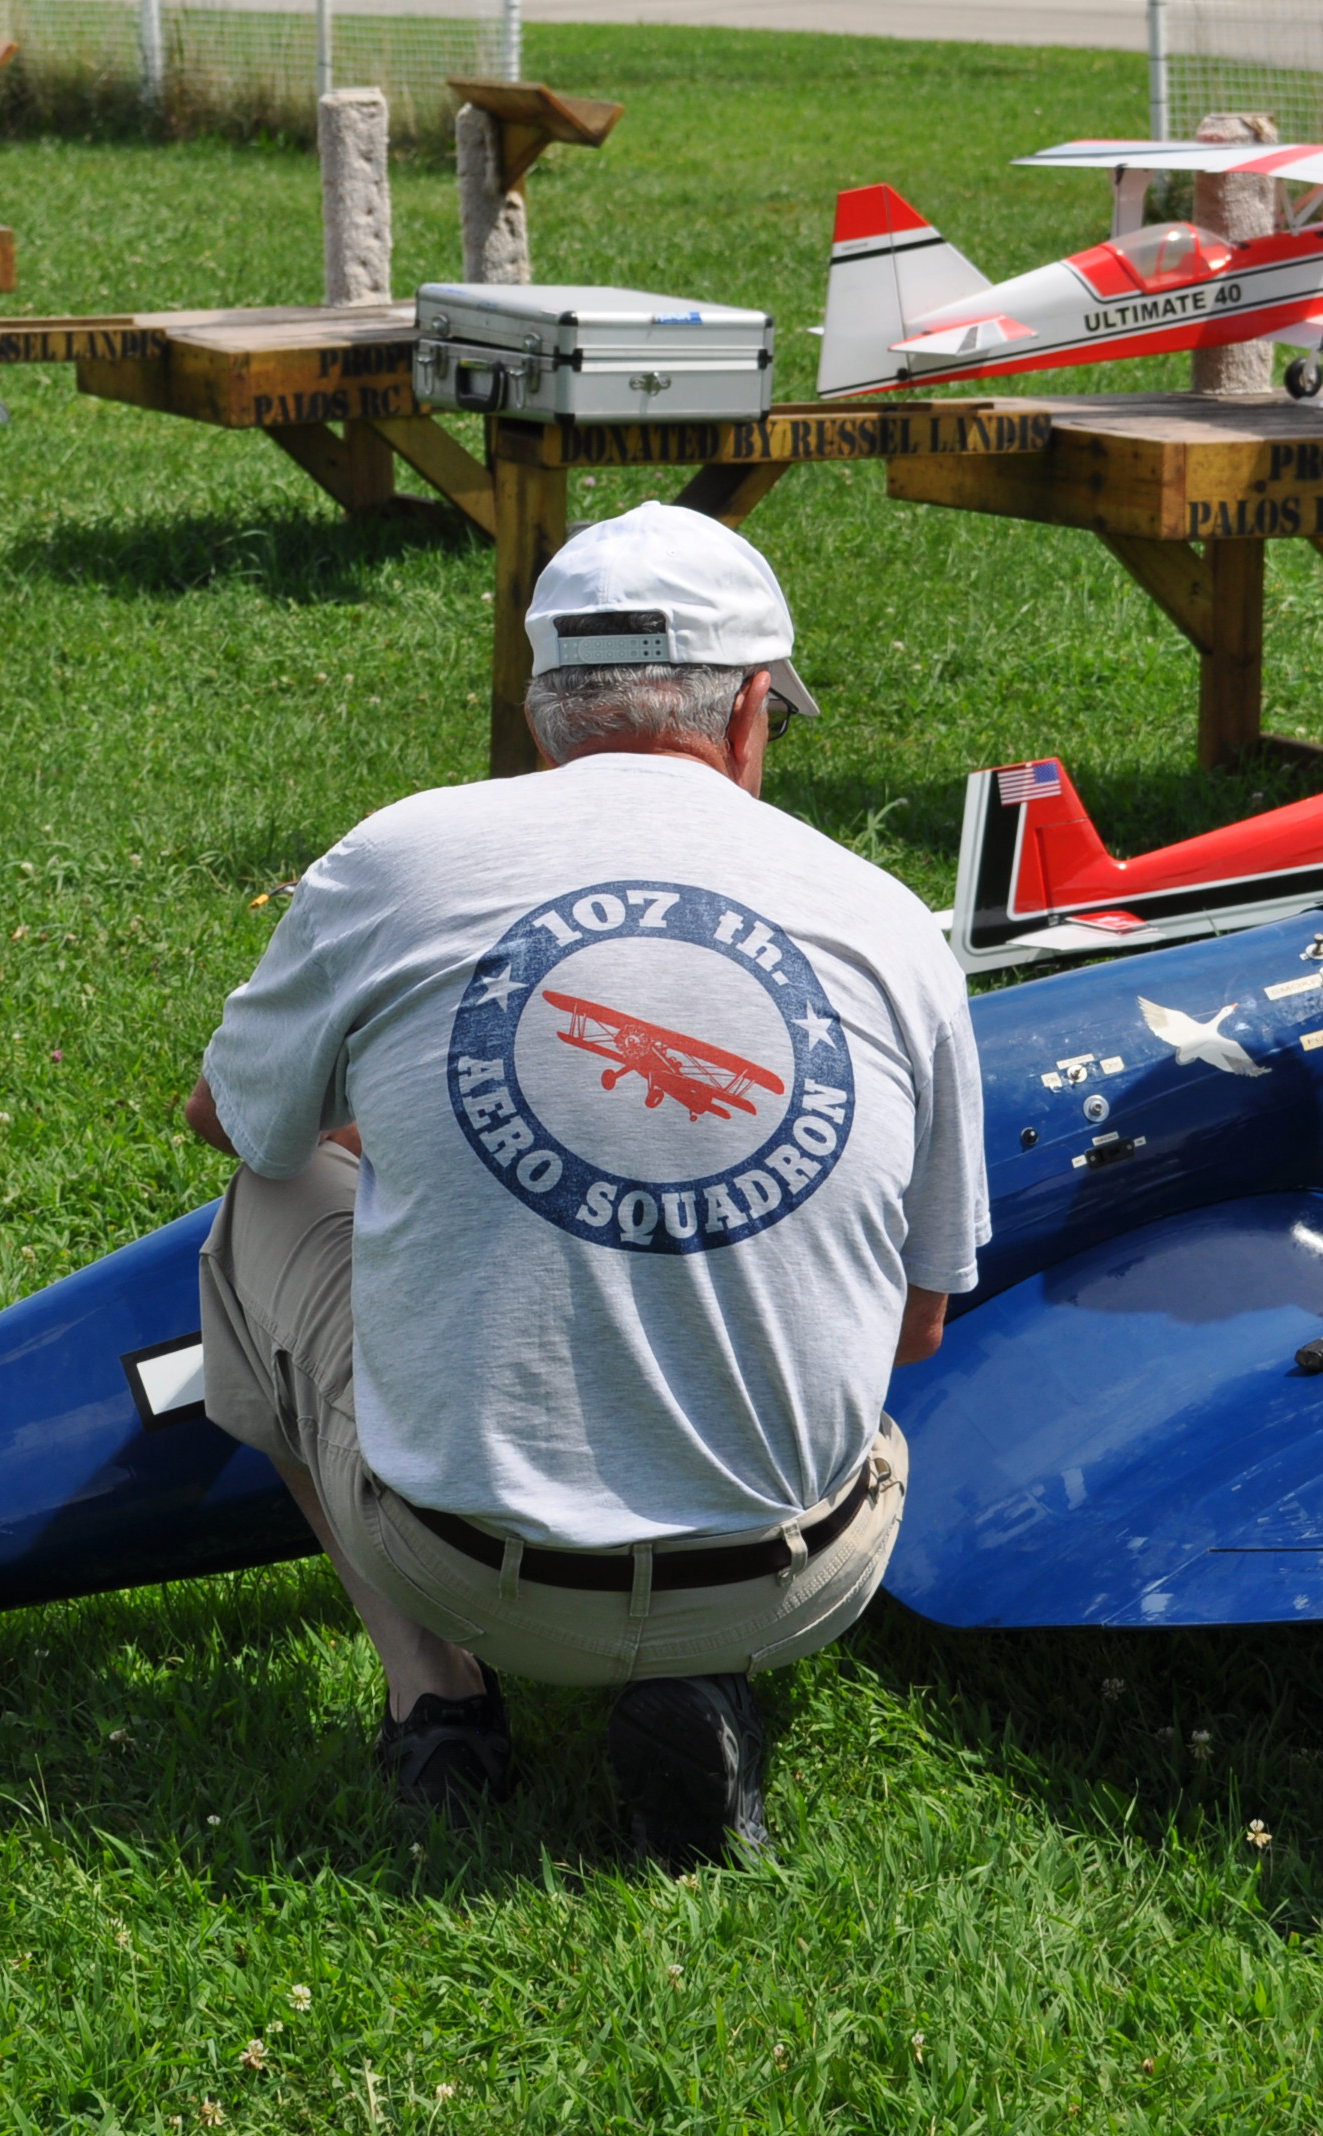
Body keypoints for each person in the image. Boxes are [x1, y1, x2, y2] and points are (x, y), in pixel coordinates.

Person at [182, 501, 989, 1859]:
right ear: (745, 718)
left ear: (545, 709)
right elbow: (918, 1320)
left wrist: (412, 1135)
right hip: (796, 1579)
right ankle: (697, 1663)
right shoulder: (892, 922)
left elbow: (231, 1121)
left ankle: (437, 1697)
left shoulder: (396, 858)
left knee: (265, 1199)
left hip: (472, 1569)